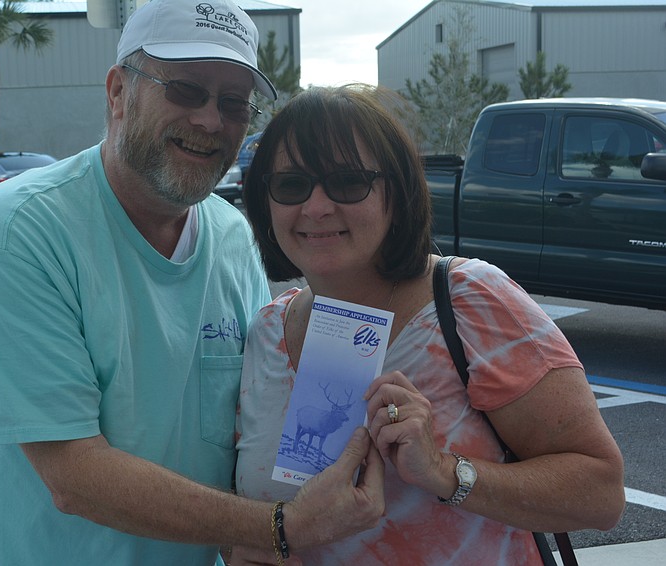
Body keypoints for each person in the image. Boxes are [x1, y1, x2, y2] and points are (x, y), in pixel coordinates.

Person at [0, 2, 385, 565]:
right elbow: (74, 475)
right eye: (186, 89)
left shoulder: (231, 237)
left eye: (232, 103)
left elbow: (243, 425)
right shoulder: (18, 235)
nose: (209, 120)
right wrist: (281, 525)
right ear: (118, 91)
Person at [234, 84, 626, 565]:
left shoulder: (471, 300)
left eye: (348, 182)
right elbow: (257, 520)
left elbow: (602, 493)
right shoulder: (268, 331)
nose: (316, 207)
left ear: (395, 196)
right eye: (292, 184)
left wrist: (444, 471)